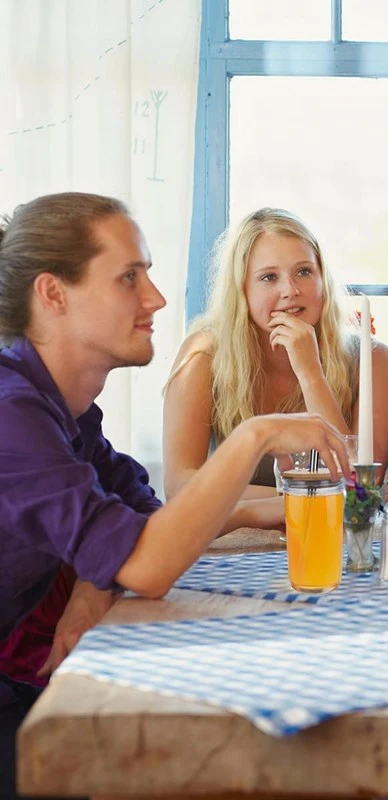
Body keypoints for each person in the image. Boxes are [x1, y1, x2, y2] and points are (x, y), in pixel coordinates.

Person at [0, 192, 351, 799]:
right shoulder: (12, 415)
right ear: (53, 294)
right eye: (129, 277)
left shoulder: (64, 411)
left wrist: (94, 580)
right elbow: (152, 564)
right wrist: (255, 435)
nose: (156, 298)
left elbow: (140, 507)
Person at [163, 208, 388, 524]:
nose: (290, 290)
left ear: (322, 279)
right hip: (238, 547)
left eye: (304, 271)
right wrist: (298, 496)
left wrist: (310, 373)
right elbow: (180, 487)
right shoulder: (204, 356)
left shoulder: (374, 360)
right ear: (242, 290)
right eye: (268, 277)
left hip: (334, 542)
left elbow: (359, 489)